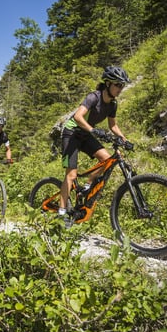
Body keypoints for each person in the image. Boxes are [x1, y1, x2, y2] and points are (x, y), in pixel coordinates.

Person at [58, 66, 131, 219]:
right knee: (71, 175)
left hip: (85, 134)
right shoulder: (94, 97)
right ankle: (62, 212)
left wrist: (124, 139)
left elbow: (113, 126)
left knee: (106, 159)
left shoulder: (112, 104)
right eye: (118, 84)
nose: (120, 88)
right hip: (71, 134)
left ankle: (86, 185)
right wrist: (93, 130)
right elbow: (78, 117)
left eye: (122, 85)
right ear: (108, 83)